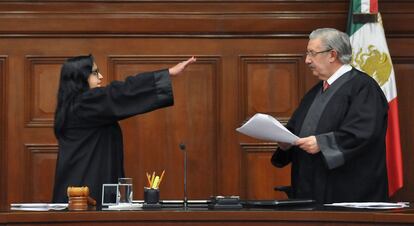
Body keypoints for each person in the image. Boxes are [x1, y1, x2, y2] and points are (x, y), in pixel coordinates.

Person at [52, 54, 196, 204]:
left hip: (81, 193)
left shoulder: (74, 106)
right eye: (94, 73)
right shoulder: (83, 105)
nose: (100, 77)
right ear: (79, 78)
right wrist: (169, 73)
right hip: (83, 197)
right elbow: (121, 92)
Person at [271, 28, 389, 204]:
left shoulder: (363, 87)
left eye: (312, 53)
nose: (307, 60)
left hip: (347, 191)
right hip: (309, 188)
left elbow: (364, 133)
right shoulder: (315, 92)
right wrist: (285, 143)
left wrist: (322, 143)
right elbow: (296, 130)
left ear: (332, 54)